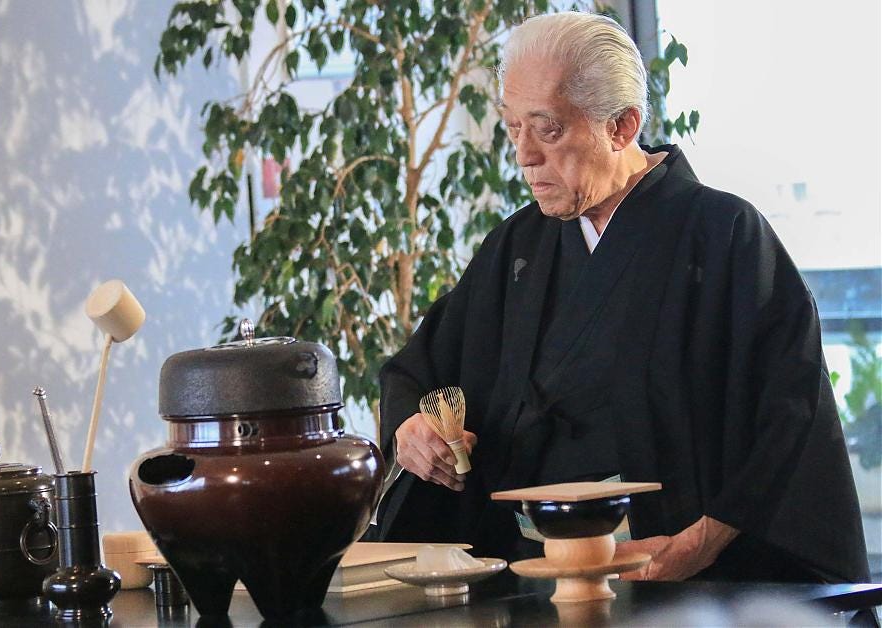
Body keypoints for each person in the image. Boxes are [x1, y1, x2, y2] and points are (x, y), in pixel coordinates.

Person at [369, 11, 869, 583]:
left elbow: (791, 407)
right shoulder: (517, 245)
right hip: (524, 567)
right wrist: (413, 428)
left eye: (547, 129)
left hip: (675, 567)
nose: (524, 155)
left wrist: (704, 541)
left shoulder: (722, 233)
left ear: (622, 126)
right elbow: (418, 367)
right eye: (513, 128)